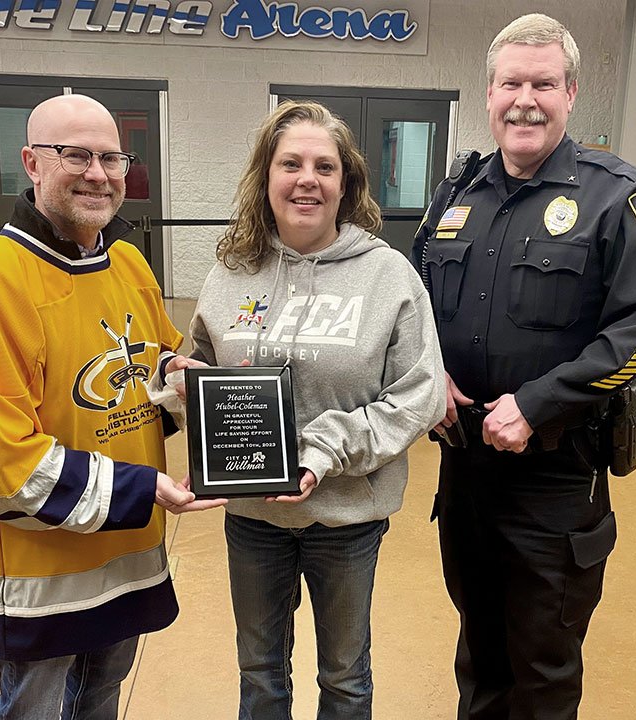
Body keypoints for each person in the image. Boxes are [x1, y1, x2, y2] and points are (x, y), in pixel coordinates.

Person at [0, 94, 225, 720]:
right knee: (34, 709)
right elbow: (3, 470)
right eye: (76, 155)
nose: (98, 173)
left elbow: (145, 387)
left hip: (126, 559)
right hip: (44, 578)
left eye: (111, 157)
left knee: (99, 702)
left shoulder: (127, 261)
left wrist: (185, 381)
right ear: (32, 164)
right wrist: (145, 490)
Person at [412, 14, 636, 720]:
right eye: (511, 84)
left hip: (557, 481)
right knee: (480, 654)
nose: (525, 99)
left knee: (544, 670)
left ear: (571, 93)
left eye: (543, 83)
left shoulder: (617, 196)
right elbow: (411, 304)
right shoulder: (456, 193)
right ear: (489, 93)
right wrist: (426, 372)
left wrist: (538, 404)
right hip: (464, 468)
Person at [183, 101, 445, 720]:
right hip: (251, 516)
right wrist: (176, 379)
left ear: (346, 183)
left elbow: (422, 393)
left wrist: (328, 447)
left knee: (346, 678)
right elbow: (197, 362)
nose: (308, 178)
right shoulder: (232, 270)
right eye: (291, 163)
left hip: (347, 520)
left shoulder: (389, 276)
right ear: (265, 177)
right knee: (260, 674)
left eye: (325, 166)